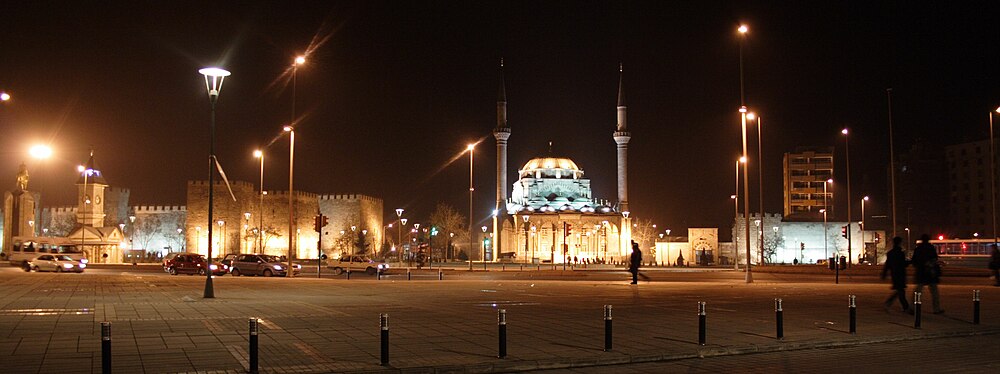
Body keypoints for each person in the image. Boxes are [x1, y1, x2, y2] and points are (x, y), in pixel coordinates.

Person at [911, 234, 943, 314]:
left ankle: (913, 308)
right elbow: (935, 259)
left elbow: (914, 261)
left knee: (918, 292)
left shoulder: (918, 249)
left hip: (921, 272)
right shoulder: (931, 248)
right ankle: (936, 309)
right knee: (934, 292)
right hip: (930, 273)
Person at [881, 237, 910, 312]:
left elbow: (887, 265)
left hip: (894, 274)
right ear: (900, 243)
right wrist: (910, 262)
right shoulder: (900, 253)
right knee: (901, 291)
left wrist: (884, 274)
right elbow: (903, 264)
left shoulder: (890, 253)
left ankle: (904, 307)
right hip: (900, 274)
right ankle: (905, 307)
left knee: (900, 291)